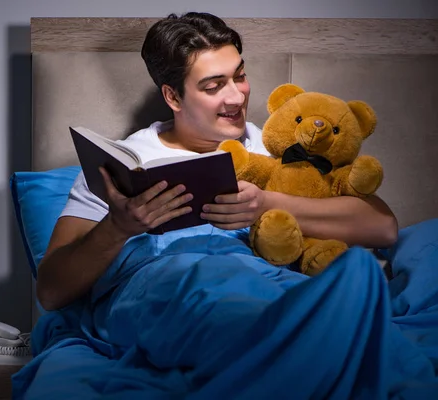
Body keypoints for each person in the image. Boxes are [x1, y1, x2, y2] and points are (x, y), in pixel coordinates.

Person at [36, 12, 398, 311]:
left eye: (240, 76)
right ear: (173, 97)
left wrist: (266, 202)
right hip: (174, 300)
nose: (235, 97)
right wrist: (118, 227)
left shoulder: (280, 144)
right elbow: (51, 291)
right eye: (213, 86)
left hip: (273, 294)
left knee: (360, 272)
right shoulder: (124, 165)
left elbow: (383, 228)